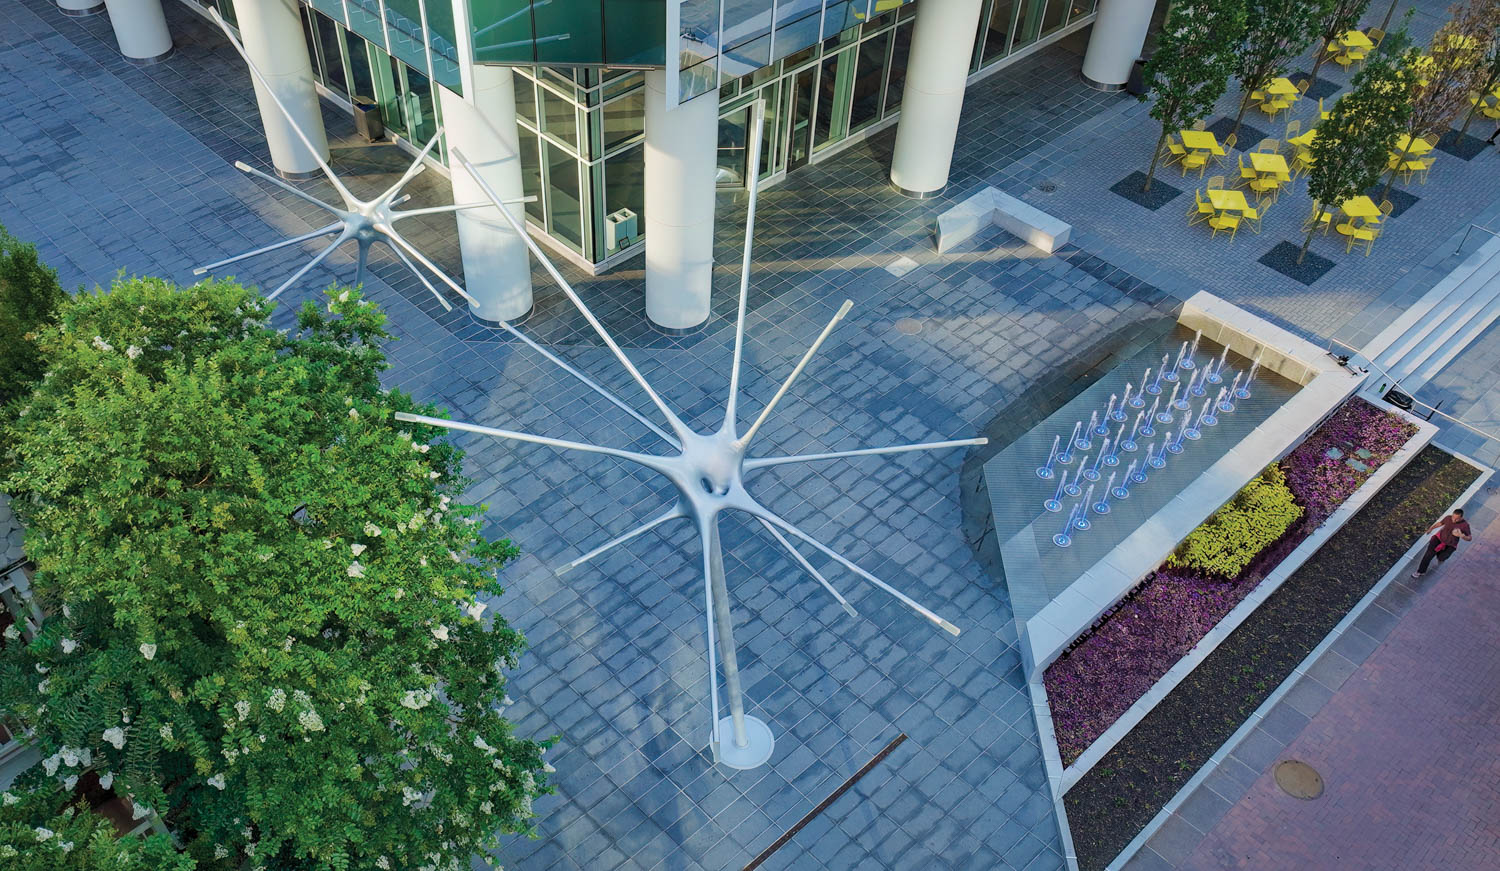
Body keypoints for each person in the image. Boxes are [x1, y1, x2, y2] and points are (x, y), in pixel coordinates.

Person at [1412, 508, 1471, 578]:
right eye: (1453, 517)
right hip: (1439, 539)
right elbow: (1440, 523)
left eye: (1456, 519)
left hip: (1450, 544)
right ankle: (1420, 571)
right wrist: (1431, 528)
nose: (1454, 520)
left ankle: (1440, 558)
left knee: (1442, 557)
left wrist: (1461, 536)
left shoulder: (1465, 525)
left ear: (1461, 517)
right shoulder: (1448, 518)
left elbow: (1469, 538)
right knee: (1428, 555)